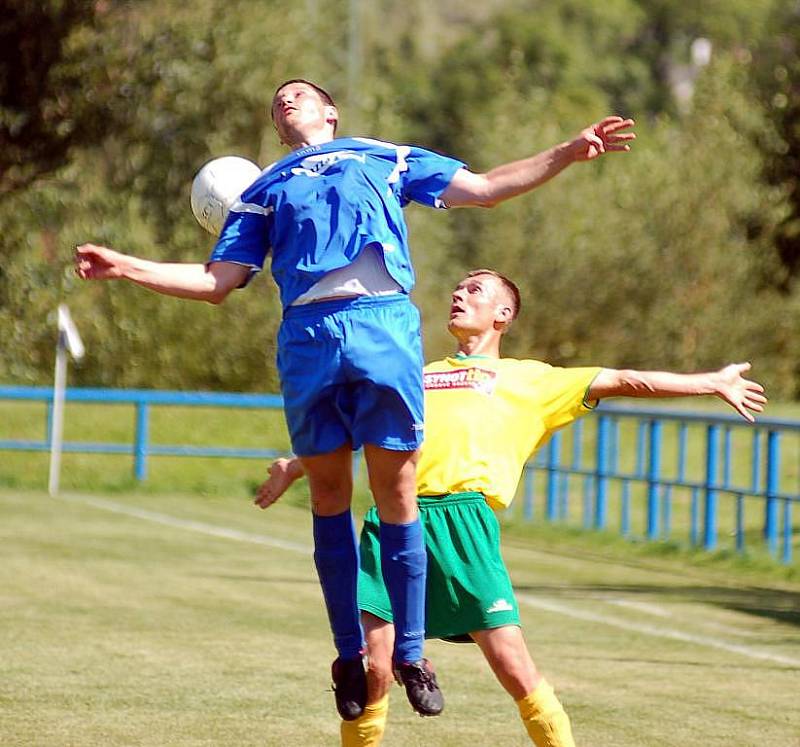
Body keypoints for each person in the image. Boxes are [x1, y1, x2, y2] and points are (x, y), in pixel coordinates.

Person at [74, 78, 636, 721]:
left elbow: (484, 189)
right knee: (330, 499)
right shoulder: (262, 190)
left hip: (381, 326)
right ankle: (348, 654)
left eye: (301, 94)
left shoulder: (383, 156)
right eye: (277, 100)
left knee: (397, 495)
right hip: (307, 335)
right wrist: (127, 266)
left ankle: (415, 653)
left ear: (330, 111)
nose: (287, 100)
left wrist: (568, 151)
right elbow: (215, 281)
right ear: (277, 129)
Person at [255, 268, 767, 746]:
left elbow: (628, 379)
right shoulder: (416, 372)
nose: (459, 295)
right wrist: (295, 465)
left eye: (475, 290)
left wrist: (709, 382)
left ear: (504, 316)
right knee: (374, 667)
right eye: (458, 288)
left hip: (464, 524)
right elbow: (361, 435)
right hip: (394, 522)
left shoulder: (533, 379)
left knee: (514, 667)